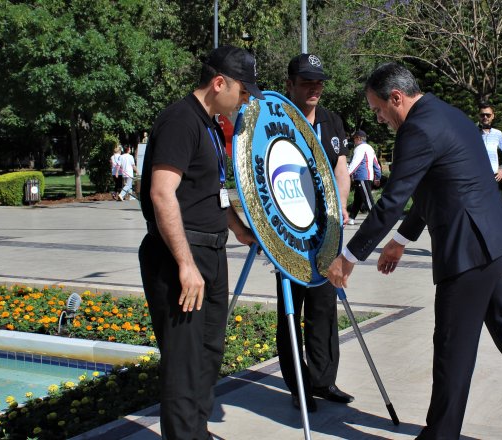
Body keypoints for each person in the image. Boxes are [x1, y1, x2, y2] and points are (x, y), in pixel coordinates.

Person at [327, 63, 502, 440]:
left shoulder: (416, 128)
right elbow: (438, 187)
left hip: (471, 254)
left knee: (452, 349)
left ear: (396, 98)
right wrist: (401, 240)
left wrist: (348, 257)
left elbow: (392, 200)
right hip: (501, 244)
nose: (379, 118)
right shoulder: (448, 114)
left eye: (379, 109)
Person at [138, 45, 261, 440]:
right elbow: (161, 193)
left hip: (210, 251)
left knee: (209, 351)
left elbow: (210, 192)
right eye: (243, 91)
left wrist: (239, 230)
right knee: (184, 361)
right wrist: (186, 264)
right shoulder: (180, 120)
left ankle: (197, 430)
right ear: (219, 82)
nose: (245, 99)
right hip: (180, 257)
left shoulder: (209, 123)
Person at [273, 53, 354, 413]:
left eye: (318, 82)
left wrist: (340, 208)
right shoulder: (276, 122)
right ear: (289, 84)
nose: (315, 88)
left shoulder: (330, 121)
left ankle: (323, 380)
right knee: (292, 310)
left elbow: (341, 170)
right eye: (307, 82)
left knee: (324, 308)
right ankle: (298, 386)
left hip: (326, 232)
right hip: (288, 232)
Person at [346, 129, 381, 223]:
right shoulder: (370, 148)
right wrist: (377, 177)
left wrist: (346, 174)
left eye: (354, 138)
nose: (354, 140)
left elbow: (355, 163)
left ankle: (376, 219)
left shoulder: (359, 148)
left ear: (359, 138)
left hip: (362, 177)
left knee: (367, 198)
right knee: (358, 198)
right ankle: (352, 218)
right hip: (368, 177)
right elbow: (376, 164)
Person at [477, 102, 502, 182]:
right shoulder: (472, 133)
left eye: (488, 115)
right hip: (474, 178)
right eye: (482, 115)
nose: (485, 117)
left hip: (493, 178)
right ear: (478, 116)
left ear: (493, 116)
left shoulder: (497, 134)